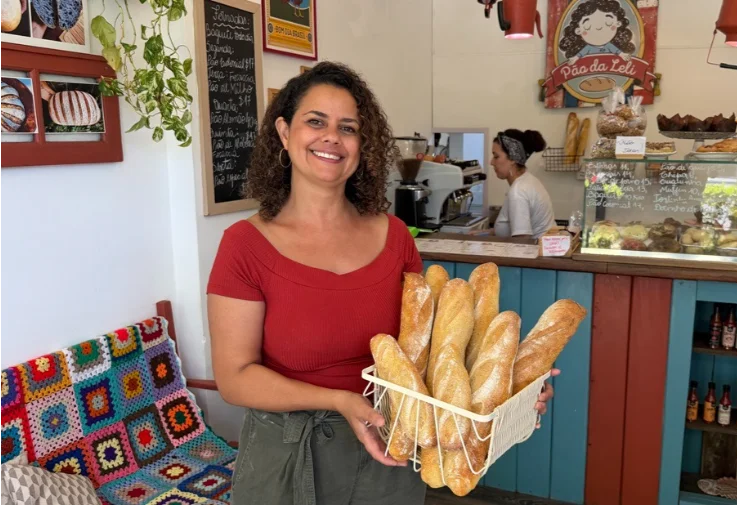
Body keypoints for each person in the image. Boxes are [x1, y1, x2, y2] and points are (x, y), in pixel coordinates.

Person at [206, 62, 556, 505]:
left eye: (347, 128)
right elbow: (235, 379)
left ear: (362, 144)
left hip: (391, 448)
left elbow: (428, 354)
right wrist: (338, 400)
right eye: (316, 121)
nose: (332, 137)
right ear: (284, 132)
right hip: (288, 457)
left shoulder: (395, 237)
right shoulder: (245, 245)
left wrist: (510, 391)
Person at [491, 129, 557, 239]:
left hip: (535, 249)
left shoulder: (518, 192)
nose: (491, 162)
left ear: (512, 158)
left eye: (496, 156)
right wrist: (486, 233)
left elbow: (522, 240)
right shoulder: (529, 180)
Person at [559, 0, 636, 65]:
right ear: (578, 31)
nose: (598, 27)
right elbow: (579, 55)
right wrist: (574, 59)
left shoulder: (610, 46)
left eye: (608, 22)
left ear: (618, 24)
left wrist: (623, 55)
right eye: (587, 26)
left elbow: (619, 52)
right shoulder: (588, 48)